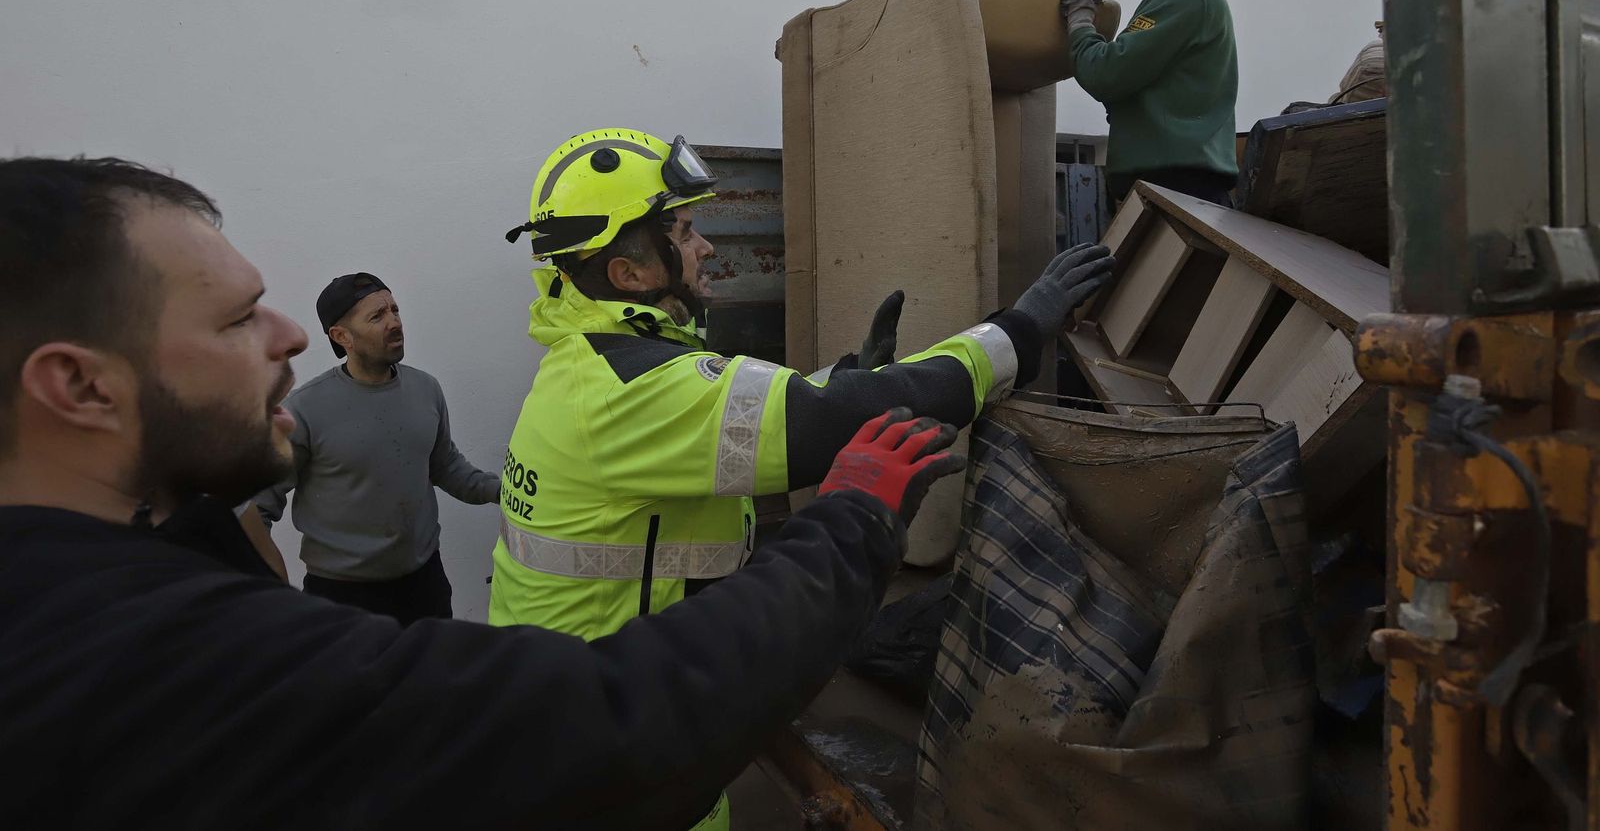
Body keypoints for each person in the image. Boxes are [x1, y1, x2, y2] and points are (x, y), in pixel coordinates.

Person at [0, 155, 966, 829]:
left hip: (418, 585)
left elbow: (461, 475)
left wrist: (535, 492)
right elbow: (606, 729)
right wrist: (851, 514)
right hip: (355, 591)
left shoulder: (166, 541)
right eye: (239, 316)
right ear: (79, 385)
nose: (291, 332)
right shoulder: (169, 664)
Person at [491, 129, 1114, 829]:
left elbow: (733, 423)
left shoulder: (591, 365)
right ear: (630, 273)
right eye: (686, 230)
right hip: (622, 754)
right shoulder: (632, 387)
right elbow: (811, 421)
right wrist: (1020, 331)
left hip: (592, 706)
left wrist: (845, 380)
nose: (706, 248)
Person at [252, 272, 499, 624]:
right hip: (342, 598)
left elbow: (445, 467)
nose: (394, 322)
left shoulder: (426, 390)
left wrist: (507, 493)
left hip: (425, 585)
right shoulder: (303, 410)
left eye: (394, 310)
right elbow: (260, 505)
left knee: (431, 679)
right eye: (377, 316)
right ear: (341, 337)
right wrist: (261, 587)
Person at [1055, 0, 1240, 206]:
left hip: (1177, 193)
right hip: (1175, 193)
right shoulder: (1175, 3)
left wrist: (1080, 20)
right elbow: (1124, 81)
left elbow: (1104, 73)